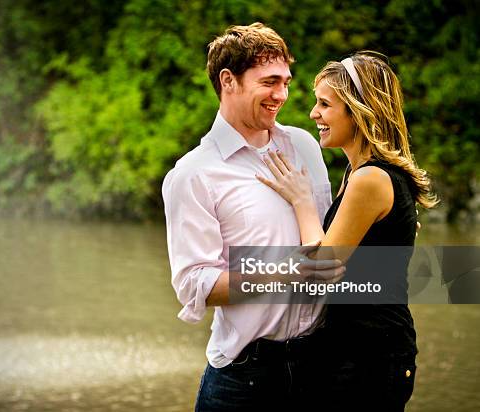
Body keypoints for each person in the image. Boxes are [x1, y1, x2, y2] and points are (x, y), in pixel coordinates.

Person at [162, 23, 345, 411]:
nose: (281, 95)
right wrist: (291, 271)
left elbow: (327, 240)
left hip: (321, 366)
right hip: (244, 380)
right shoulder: (193, 174)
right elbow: (197, 286)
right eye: (269, 82)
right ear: (228, 81)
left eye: (286, 82)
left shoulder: (304, 145)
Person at [257, 51, 437, 411]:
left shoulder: (370, 179)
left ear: (358, 111)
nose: (314, 114)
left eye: (325, 104)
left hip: (371, 354)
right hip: (355, 349)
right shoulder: (360, 174)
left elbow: (321, 270)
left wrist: (302, 201)